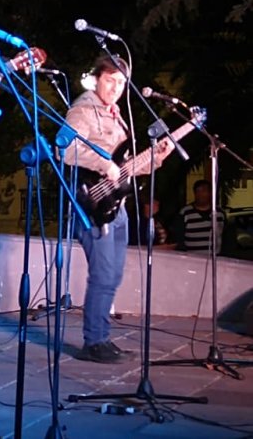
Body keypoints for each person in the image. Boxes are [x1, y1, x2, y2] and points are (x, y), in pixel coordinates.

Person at [62, 55, 172, 364]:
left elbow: (126, 168)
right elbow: (67, 149)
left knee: (114, 274)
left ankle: (102, 336)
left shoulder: (117, 115)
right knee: (103, 273)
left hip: (117, 204)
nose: (115, 87)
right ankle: (93, 341)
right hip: (92, 204)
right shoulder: (84, 110)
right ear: (97, 78)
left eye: (121, 83)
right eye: (110, 80)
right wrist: (103, 164)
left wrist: (157, 157)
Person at [173, 179, 226, 254]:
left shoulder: (219, 213)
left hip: (214, 258)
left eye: (204, 191)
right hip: (193, 258)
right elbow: (179, 237)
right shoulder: (185, 212)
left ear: (210, 193)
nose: (200, 194)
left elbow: (225, 236)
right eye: (198, 191)